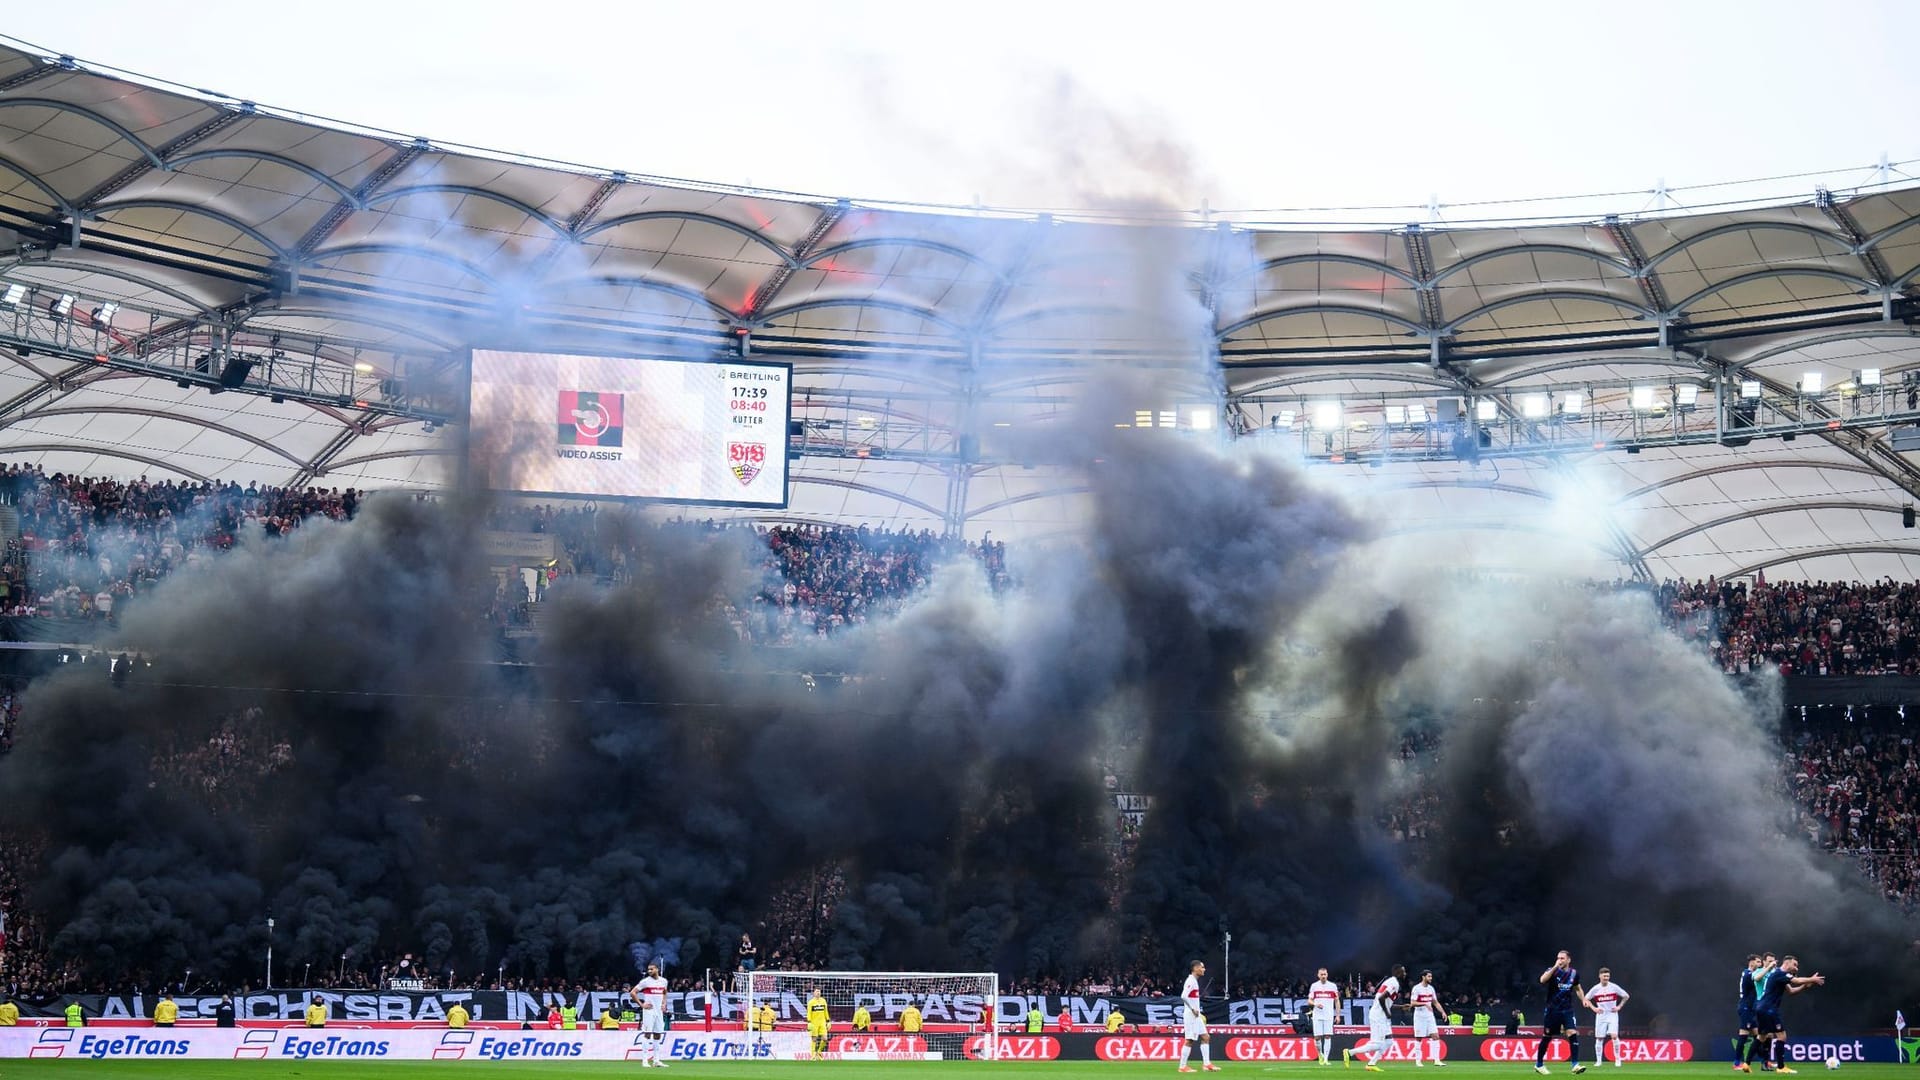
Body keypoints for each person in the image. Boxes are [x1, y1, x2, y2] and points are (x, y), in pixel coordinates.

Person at [1753, 955, 1825, 1074]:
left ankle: (1749, 1063)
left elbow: (1791, 991)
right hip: (1768, 1008)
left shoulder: (1779, 975)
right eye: (1795, 965)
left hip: (1765, 1008)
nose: (1796, 968)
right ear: (1786, 963)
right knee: (1780, 1036)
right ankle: (1780, 1067)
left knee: (1763, 1036)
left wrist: (1804, 986)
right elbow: (1796, 980)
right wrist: (1812, 979)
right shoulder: (1778, 973)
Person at [1534, 951, 1588, 1076]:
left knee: (1572, 1033)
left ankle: (1575, 1065)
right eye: (1558, 958)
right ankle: (1539, 1065)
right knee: (1547, 1037)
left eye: (1562, 958)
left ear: (1568, 960)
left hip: (1567, 1010)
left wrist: (1583, 999)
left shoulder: (1574, 973)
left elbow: (1578, 988)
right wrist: (1554, 967)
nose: (1560, 960)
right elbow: (1542, 980)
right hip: (1552, 1010)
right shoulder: (1552, 971)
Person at [1346, 965, 1404, 1072]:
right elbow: (1382, 999)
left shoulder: (1390, 982)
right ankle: (1350, 1052)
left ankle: (1371, 1064)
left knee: (1389, 1041)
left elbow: (1383, 1001)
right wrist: (1387, 1013)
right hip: (1379, 1015)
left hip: (1380, 1014)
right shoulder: (1394, 983)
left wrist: (1401, 1007)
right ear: (1398, 972)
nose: (1405, 974)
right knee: (1378, 1044)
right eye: (1403, 971)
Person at [1179, 958, 1219, 1073]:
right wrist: (1192, 1008)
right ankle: (1182, 1066)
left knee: (1206, 1037)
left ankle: (1207, 1064)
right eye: (1202, 967)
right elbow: (1183, 996)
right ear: (1195, 968)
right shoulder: (1190, 981)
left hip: (1196, 1015)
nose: (1204, 969)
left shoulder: (1194, 981)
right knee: (1189, 1040)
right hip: (1191, 1014)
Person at [1586, 969, 1630, 1068]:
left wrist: (1619, 1006)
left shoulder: (1614, 987)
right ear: (1600, 976)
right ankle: (1598, 1061)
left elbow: (1626, 996)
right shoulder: (1596, 988)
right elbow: (1586, 998)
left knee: (1614, 1036)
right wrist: (1594, 1008)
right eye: (1604, 976)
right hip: (1601, 1015)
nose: (1606, 978)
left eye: (1608, 976)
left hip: (1612, 1014)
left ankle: (1618, 1059)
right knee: (1599, 1038)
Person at [631, 962, 670, 1069]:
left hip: (659, 1012)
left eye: (651, 969)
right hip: (649, 1011)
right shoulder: (645, 982)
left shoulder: (663, 981)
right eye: (648, 969)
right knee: (647, 1033)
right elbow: (633, 992)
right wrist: (642, 1004)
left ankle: (656, 1060)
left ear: (657, 969)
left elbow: (665, 992)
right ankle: (644, 1060)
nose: (649, 971)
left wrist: (664, 1003)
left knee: (658, 1034)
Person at [1409, 971, 1446, 1067]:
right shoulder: (1416, 988)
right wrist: (1424, 1004)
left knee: (1436, 1036)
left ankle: (1437, 1060)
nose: (1431, 978)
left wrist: (1442, 1012)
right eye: (1429, 976)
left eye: (1431, 976)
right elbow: (1412, 1003)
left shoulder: (1431, 989)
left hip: (1429, 1016)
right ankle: (1418, 1061)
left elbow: (1435, 1002)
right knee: (1419, 1038)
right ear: (1423, 977)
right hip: (1419, 1016)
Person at [1734, 954, 1762, 1074]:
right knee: (1744, 1034)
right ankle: (1736, 1063)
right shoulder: (1748, 974)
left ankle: (1764, 1060)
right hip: (1745, 1007)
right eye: (1758, 962)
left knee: (1758, 1035)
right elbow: (1759, 978)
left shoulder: (1750, 973)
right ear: (1751, 962)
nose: (1760, 964)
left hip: (1749, 1008)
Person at [1309, 967, 1342, 1065]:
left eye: (1325, 974)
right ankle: (1320, 1055)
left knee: (1327, 1036)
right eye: (1321, 974)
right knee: (1317, 1037)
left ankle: (1326, 1059)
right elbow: (1309, 1000)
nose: (1323, 976)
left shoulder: (1332, 986)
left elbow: (1337, 1001)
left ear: (1327, 975)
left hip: (1328, 1015)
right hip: (1317, 1015)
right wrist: (1315, 1004)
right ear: (1318, 975)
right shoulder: (1314, 986)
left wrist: (1338, 1015)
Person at [807, 986, 830, 1061]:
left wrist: (828, 1020)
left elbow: (826, 1011)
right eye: (817, 991)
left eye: (819, 991)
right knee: (814, 1039)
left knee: (825, 1038)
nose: (818, 993)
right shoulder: (811, 1002)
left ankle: (819, 1052)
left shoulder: (823, 1001)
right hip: (814, 1023)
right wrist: (809, 1022)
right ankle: (813, 1054)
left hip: (822, 1023)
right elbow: (809, 1013)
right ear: (814, 993)